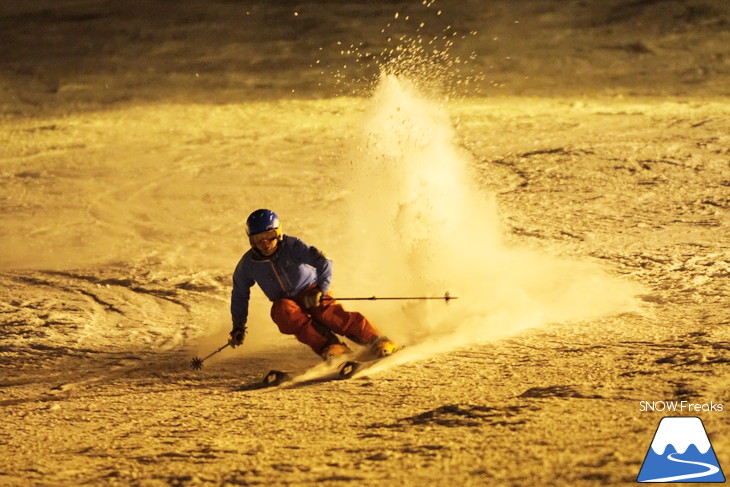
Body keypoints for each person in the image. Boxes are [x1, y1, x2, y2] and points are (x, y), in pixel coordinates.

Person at [228, 209, 398, 360]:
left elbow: (324, 261)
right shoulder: (248, 264)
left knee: (329, 314)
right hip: (287, 302)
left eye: (270, 236)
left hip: (310, 290)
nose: (266, 244)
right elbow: (239, 295)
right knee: (282, 311)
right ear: (251, 241)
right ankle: (332, 347)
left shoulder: (292, 246)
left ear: (278, 233)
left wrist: (320, 290)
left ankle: (377, 340)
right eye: (259, 240)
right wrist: (238, 327)